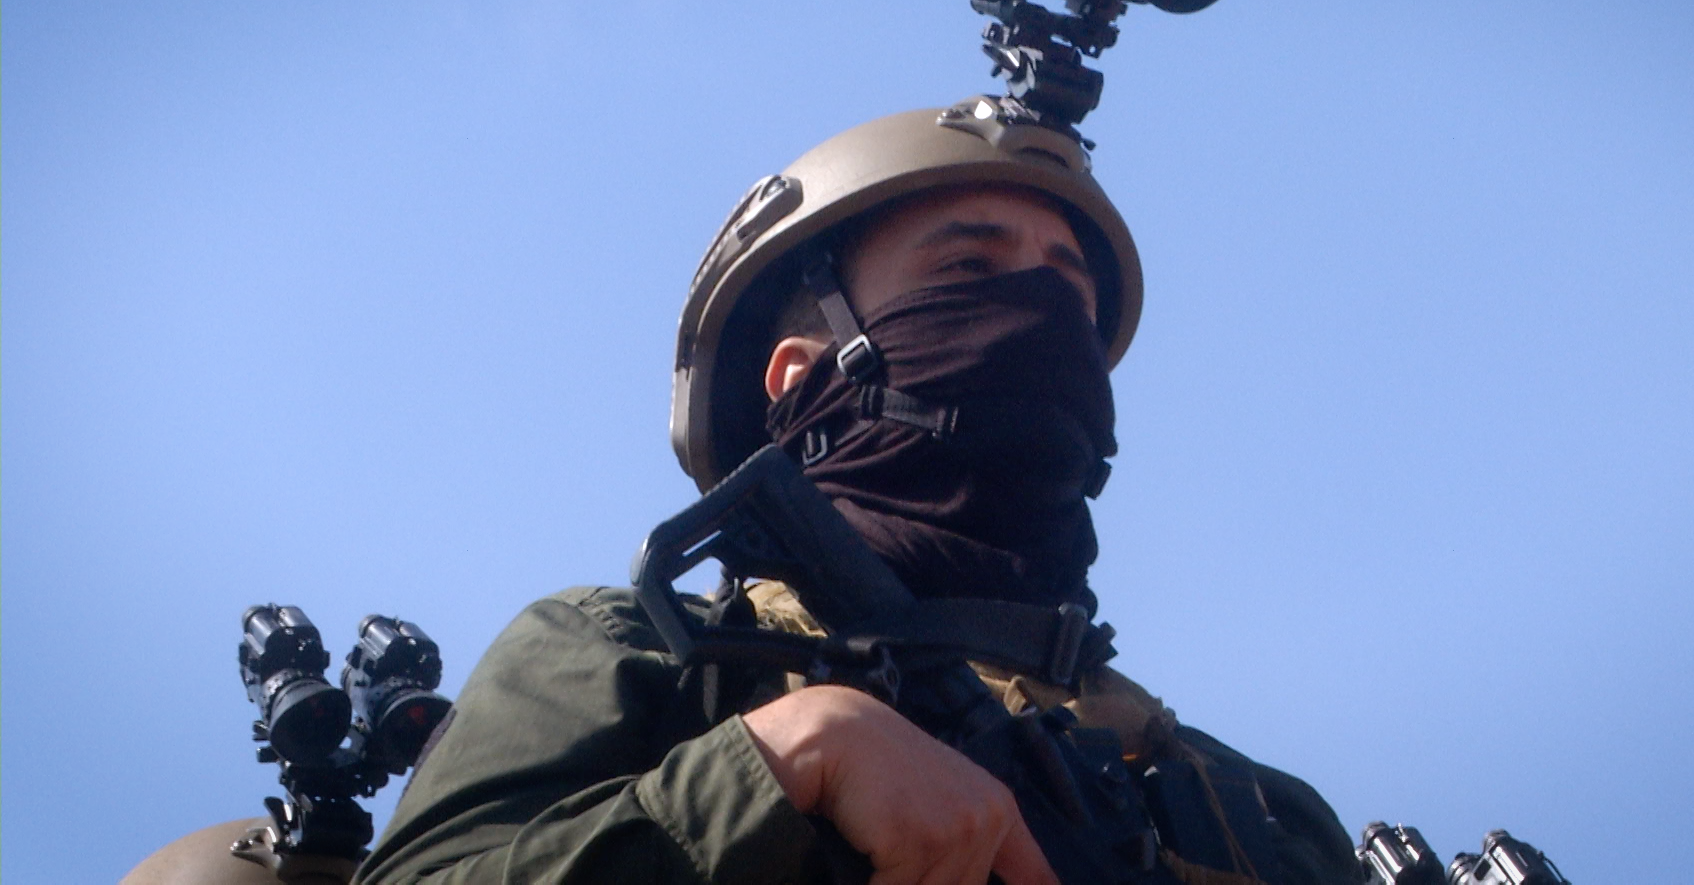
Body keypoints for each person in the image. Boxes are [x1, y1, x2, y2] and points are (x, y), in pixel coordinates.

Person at [350, 97, 1358, 885]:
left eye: (1069, 295)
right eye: (970, 267)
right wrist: (778, 764)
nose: (1041, 316)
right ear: (801, 376)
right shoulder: (636, 657)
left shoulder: (1252, 807)